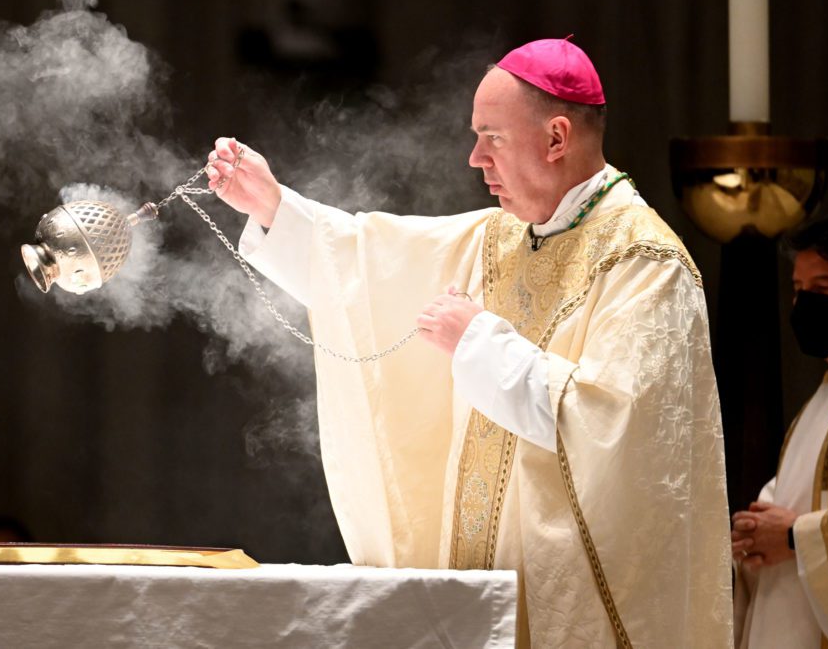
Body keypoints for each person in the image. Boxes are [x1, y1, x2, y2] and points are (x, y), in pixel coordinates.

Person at [207, 38, 732, 647]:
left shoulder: (644, 262)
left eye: (493, 137)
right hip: (488, 593)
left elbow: (618, 427)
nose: (474, 157)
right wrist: (274, 205)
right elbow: (370, 260)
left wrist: (478, 342)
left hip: (580, 607)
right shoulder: (502, 236)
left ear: (556, 138)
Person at [733, 217, 828, 648]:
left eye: (823, 286)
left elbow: (794, 526)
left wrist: (797, 537)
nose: (804, 303)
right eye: (798, 290)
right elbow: (787, 500)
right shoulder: (822, 396)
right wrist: (750, 536)